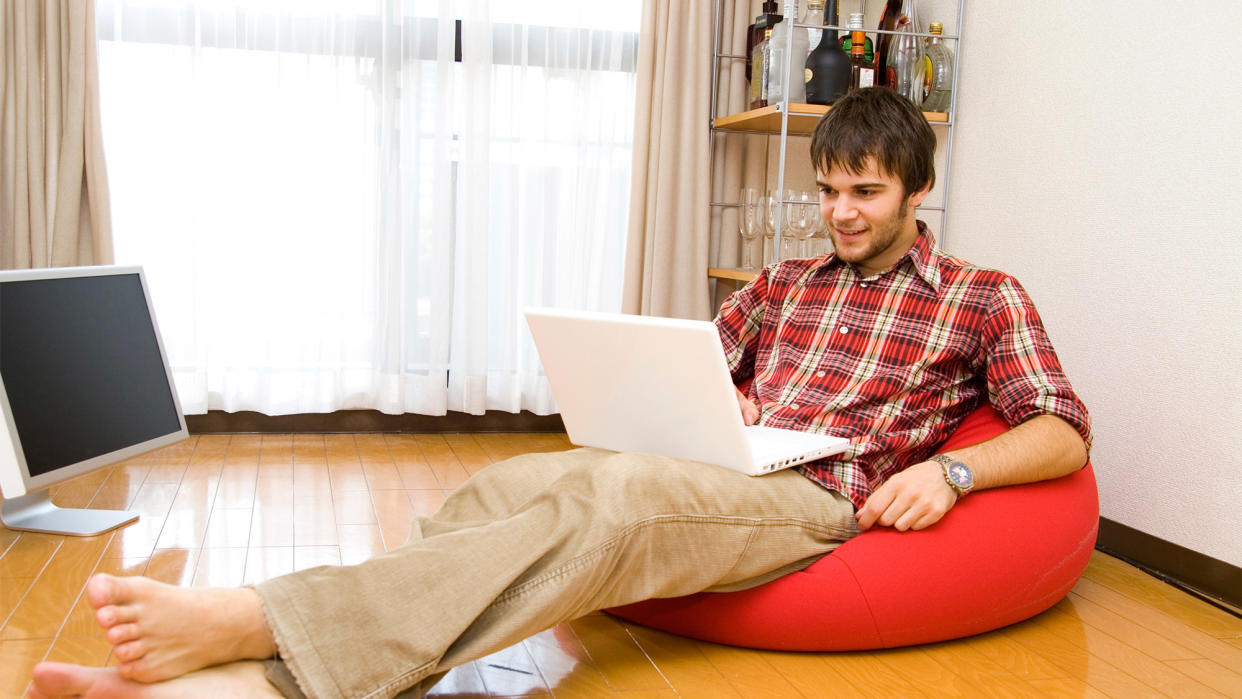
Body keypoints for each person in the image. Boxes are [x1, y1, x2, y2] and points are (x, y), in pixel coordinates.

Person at [28, 88, 1090, 699]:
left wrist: (953, 470)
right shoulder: (783, 284)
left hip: (818, 493)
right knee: (503, 489)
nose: (841, 214)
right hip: (725, 458)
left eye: (865, 193)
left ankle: (258, 633)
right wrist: (639, 396)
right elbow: (693, 364)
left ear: (917, 188)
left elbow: (1061, 432)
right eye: (826, 191)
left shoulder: (980, 296)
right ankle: (266, 669)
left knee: (604, 505)